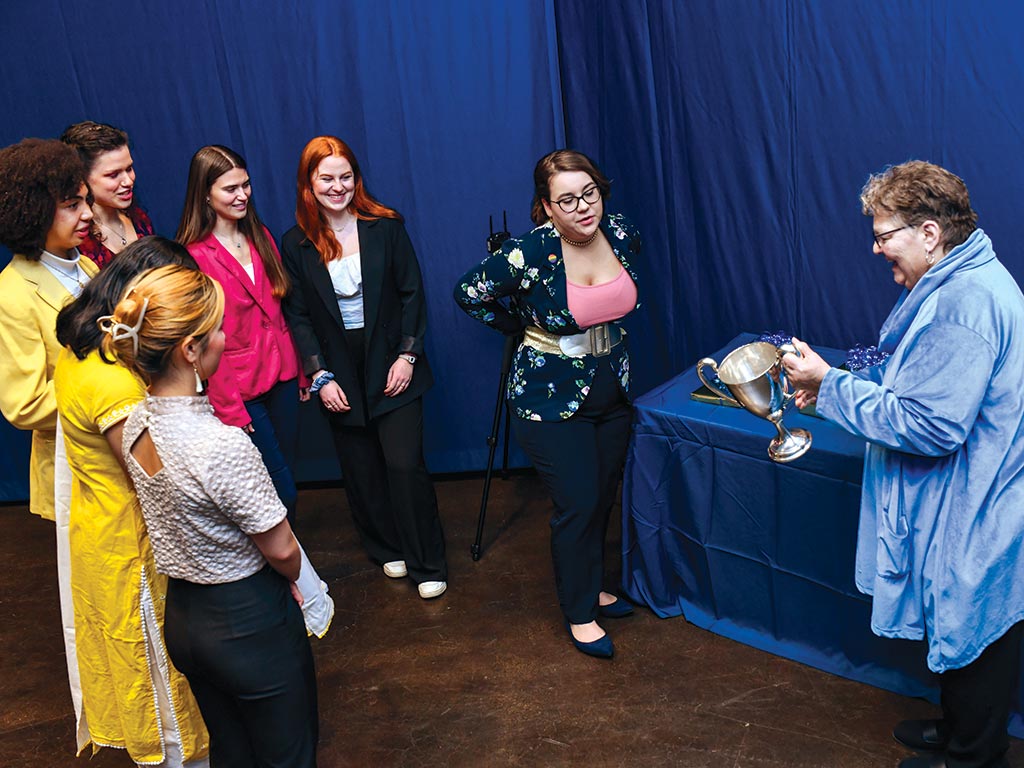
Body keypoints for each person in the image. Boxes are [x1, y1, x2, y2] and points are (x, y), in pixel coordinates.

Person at [782, 161, 1024, 768]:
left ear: (929, 233)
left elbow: (931, 425)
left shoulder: (963, 305)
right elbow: (916, 382)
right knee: (962, 619)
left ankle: (975, 756)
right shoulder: (962, 278)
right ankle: (959, 730)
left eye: (884, 233)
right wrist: (838, 387)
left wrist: (831, 385)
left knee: (974, 627)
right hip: (981, 483)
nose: (876, 246)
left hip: (980, 496)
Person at [108, 264, 319, 767]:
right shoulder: (221, 446)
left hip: (185, 620)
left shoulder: (136, 421)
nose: (226, 338)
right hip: (246, 622)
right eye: (218, 330)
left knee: (232, 753)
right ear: (190, 351)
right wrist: (294, 581)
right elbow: (283, 549)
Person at [453, 149, 642, 658]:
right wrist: (517, 327)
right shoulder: (530, 252)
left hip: (612, 387)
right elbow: (468, 292)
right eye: (567, 200)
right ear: (546, 206)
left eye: (590, 194)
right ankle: (579, 611)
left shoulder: (620, 233)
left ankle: (593, 587)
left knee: (602, 495)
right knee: (577, 501)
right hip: (550, 397)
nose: (583, 207)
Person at [53, 237, 208, 766]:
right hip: (132, 554)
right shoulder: (116, 386)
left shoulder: (83, 352)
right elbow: (155, 479)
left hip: (100, 536)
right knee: (164, 700)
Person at [280, 136, 448, 600]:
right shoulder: (295, 243)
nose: (338, 187)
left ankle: (427, 562)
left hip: (392, 360)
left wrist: (407, 356)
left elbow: (412, 292)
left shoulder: (386, 226)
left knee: (403, 464)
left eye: (345, 177)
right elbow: (297, 315)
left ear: (357, 178)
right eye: (326, 178)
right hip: (338, 368)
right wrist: (318, 374)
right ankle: (385, 546)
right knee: (361, 468)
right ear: (309, 184)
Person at [177, 145, 305, 524]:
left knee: (284, 473)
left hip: (281, 376)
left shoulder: (259, 234)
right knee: (277, 489)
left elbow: (280, 311)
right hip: (239, 388)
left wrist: (299, 369)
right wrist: (229, 406)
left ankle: (289, 569)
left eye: (246, 185)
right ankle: (285, 571)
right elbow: (201, 339)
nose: (242, 195)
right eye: (229, 189)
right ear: (205, 194)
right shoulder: (194, 255)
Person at [0, 138, 98, 520]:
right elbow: (23, 405)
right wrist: (109, 402)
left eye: (86, 201)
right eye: (72, 206)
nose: (88, 214)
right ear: (35, 212)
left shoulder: (87, 267)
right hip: (73, 470)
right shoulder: (11, 293)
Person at [61, 121, 154, 269]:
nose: (128, 181)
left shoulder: (139, 219)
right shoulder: (78, 242)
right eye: (113, 175)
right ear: (82, 178)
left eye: (129, 168)